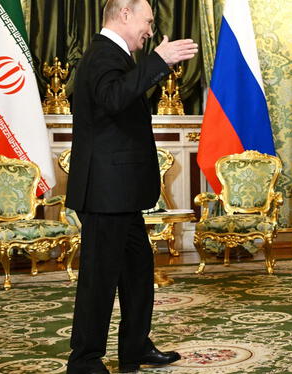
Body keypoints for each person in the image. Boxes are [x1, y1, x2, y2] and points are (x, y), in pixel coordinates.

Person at [65, 0, 198, 373]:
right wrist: (158, 61)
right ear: (124, 15)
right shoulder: (102, 54)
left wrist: (155, 63)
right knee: (99, 280)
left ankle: (135, 347)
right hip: (107, 193)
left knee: (138, 272)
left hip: (121, 193)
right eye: (148, 21)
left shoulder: (116, 55)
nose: (150, 30)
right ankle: (85, 360)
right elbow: (113, 97)